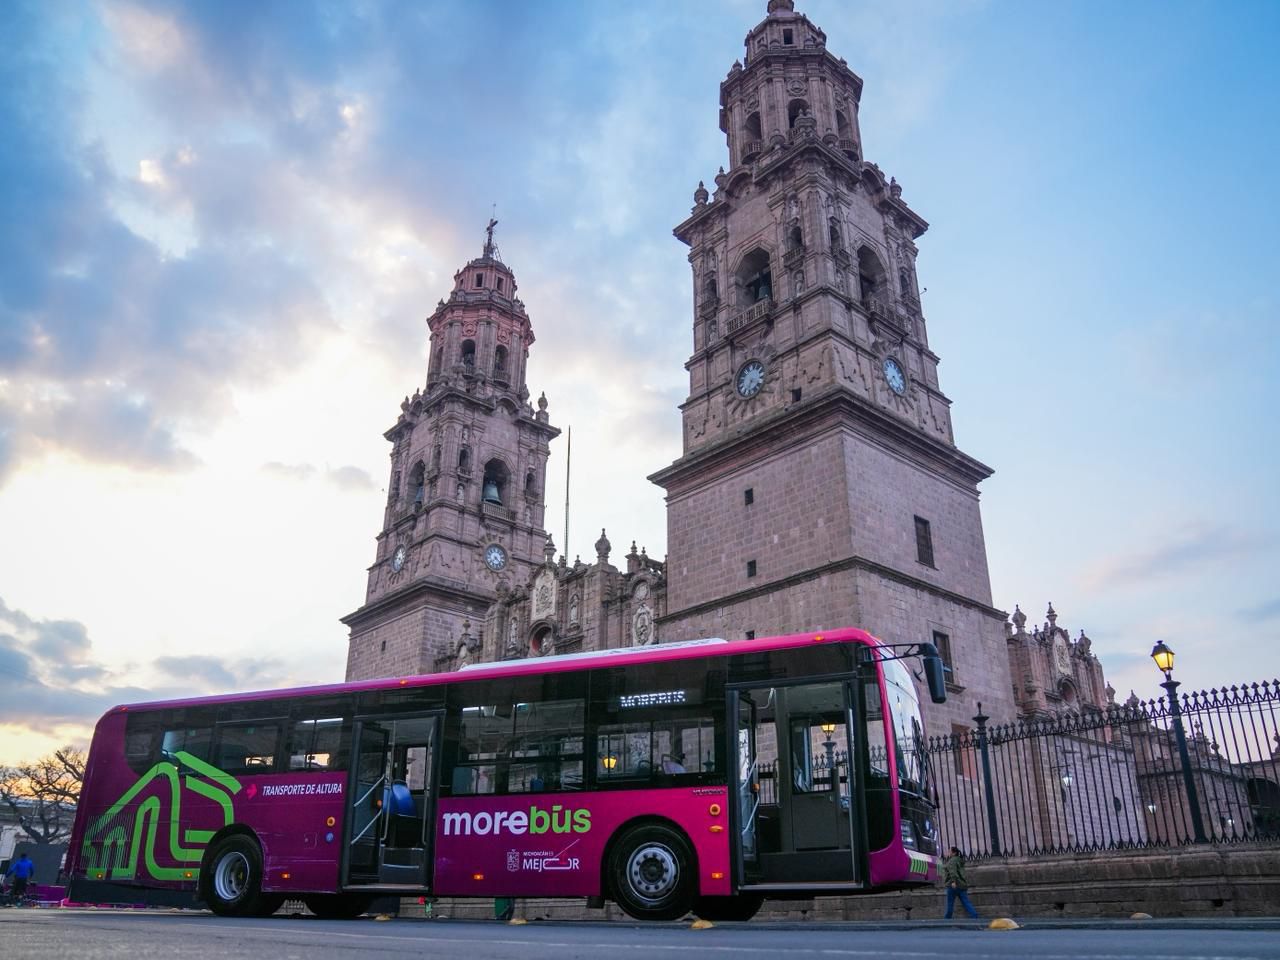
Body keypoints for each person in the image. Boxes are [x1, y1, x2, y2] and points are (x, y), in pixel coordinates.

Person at [940, 846, 979, 919]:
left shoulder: (952, 861)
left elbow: (953, 872)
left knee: (950, 903)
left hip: (953, 885)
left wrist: (953, 881)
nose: (948, 853)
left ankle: (947, 919)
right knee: (966, 902)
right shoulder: (959, 860)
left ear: (954, 853)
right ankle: (974, 915)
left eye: (949, 851)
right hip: (962, 884)